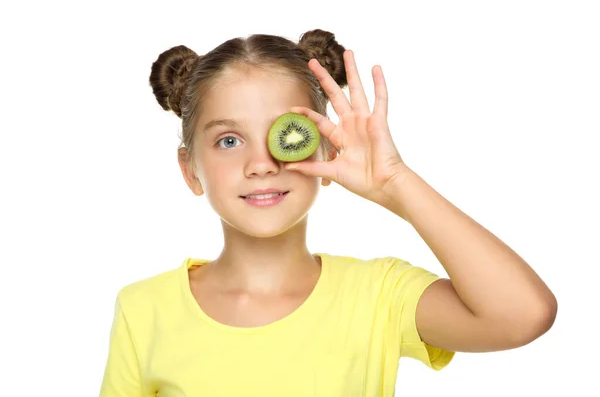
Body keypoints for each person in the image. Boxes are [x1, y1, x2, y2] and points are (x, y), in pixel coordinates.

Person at [99, 29, 558, 396]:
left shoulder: (379, 296)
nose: (262, 164)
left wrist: (397, 184)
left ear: (324, 149)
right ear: (190, 170)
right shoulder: (144, 309)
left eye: (286, 132)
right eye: (229, 141)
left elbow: (523, 315)